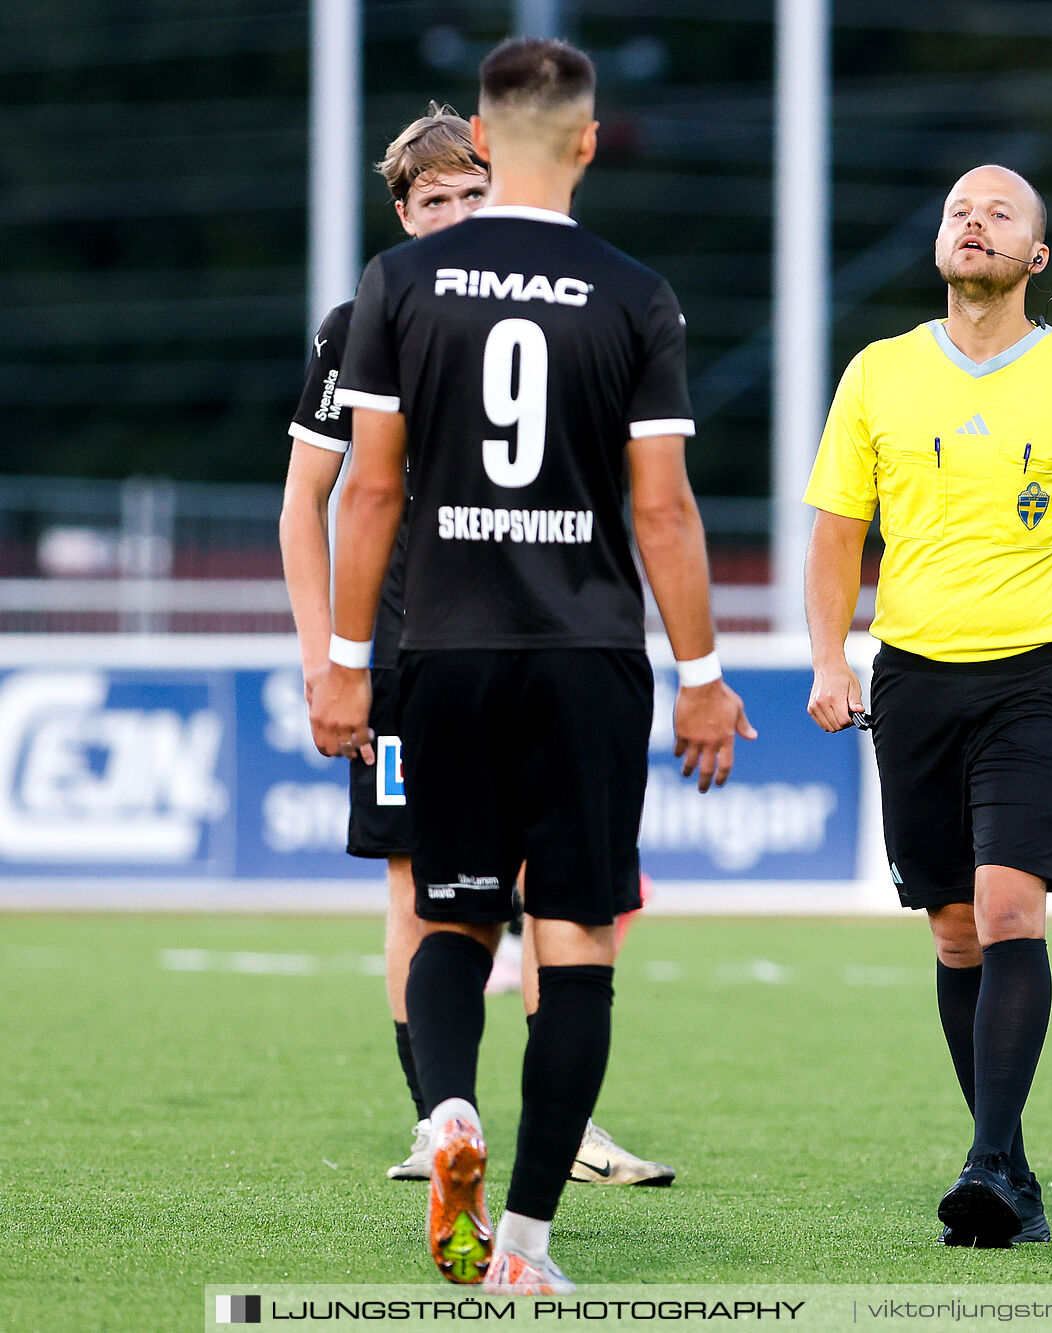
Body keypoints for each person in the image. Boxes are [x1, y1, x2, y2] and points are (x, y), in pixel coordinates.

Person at [310, 38, 753, 1294]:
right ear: (591, 143)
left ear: (487, 146)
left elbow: (371, 490)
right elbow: (662, 512)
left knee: (448, 914)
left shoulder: (400, 282)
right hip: (586, 660)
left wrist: (347, 662)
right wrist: (706, 673)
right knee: (577, 944)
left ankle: (447, 1108)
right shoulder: (633, 294)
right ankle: (526, 1244)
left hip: (443, 652)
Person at [803, 164, 1052, 1249]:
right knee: (951, 932)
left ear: (1036, 257)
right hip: (912, 683)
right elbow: (837, 536)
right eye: (955, 210)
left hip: (1037, 680)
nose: (971, 222)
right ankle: (1012, 1164)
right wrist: (828, 660)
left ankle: (985, 1162)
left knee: (1005, 907)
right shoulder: (879, 376)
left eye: (999, 213)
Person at [281, 104, 672, 1191]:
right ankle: (436, 1122)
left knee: (573, 891)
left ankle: (564, 1121)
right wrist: (330, 656)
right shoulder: (365, 320)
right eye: (434, 199)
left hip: (550, 646)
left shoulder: (563, 307)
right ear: (404, 215)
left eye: (472, 193)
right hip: (413, 655)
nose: (456, 213)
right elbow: (306, 503)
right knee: (419, 890)